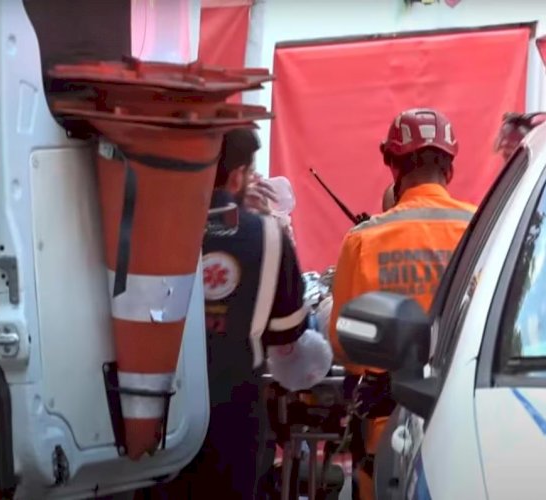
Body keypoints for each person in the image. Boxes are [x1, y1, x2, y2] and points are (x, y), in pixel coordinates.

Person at [328, 108, 477, 500]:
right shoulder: (485, 227)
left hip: (389, 432)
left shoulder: (363, 239)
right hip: (471, 421)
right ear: (450, 167)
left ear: (394, 167)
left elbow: (344, 347)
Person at [182, 128, 332, 500]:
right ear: (237, 176)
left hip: (166, 403)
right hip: (236, 404)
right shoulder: (268, 233)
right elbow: (287, 333)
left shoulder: (165, 223)